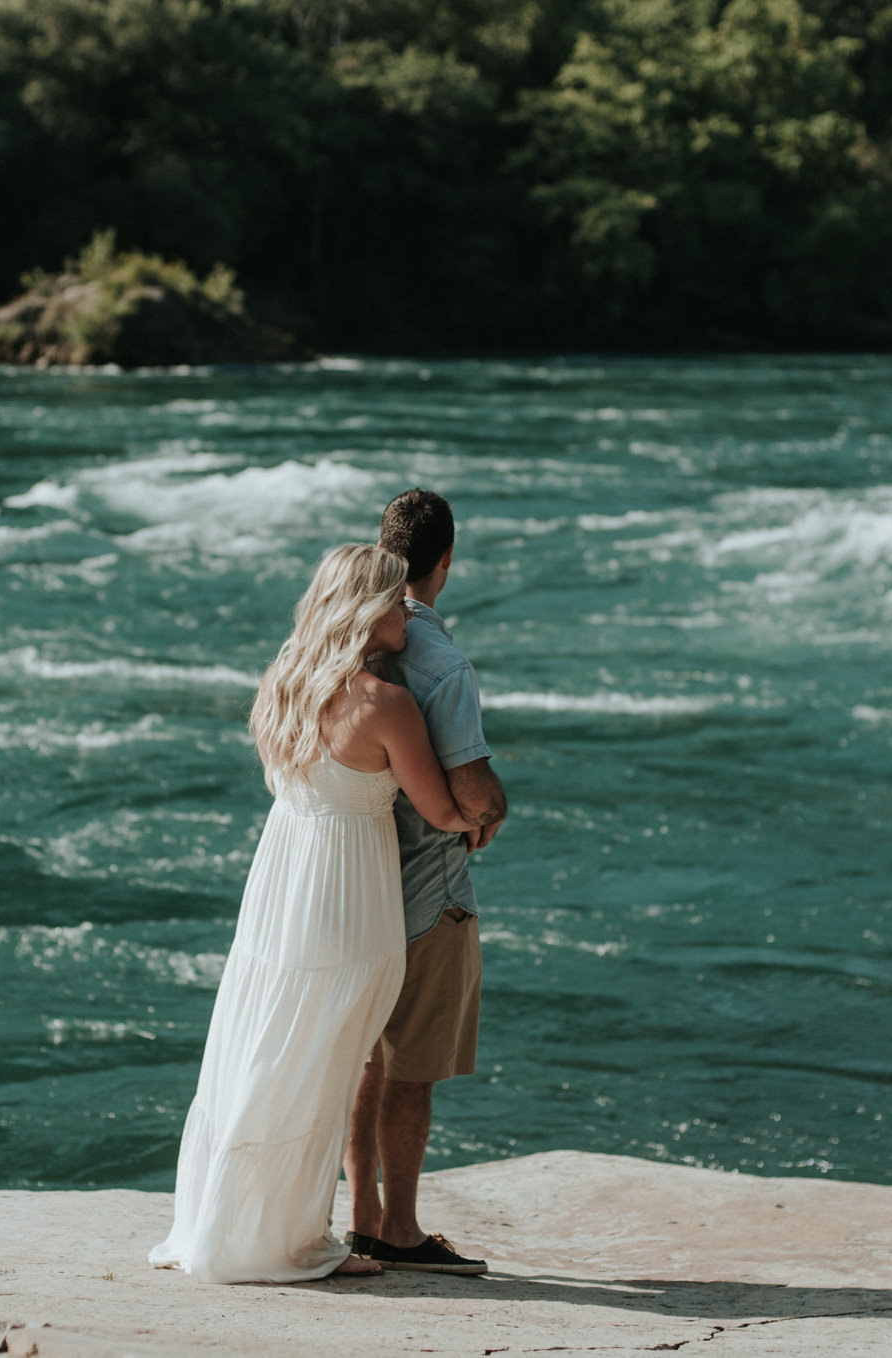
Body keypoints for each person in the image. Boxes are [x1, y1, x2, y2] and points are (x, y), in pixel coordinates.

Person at [149, 543, 479, 1284]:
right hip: (348, 893)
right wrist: (480, 815)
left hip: (283, 880)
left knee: (266, 1044)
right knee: (323, 1063)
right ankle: (285, 1241)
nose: (408, 613)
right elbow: (441, 809)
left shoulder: (286, 679)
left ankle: (233, 1221)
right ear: (365, 611)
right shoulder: (385, 704)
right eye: (396, 602)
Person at [346, 489, 508, 1275]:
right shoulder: (440, 662)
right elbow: (472, 797)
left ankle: (362, 1218)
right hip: (428, 892)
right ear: (447, 561)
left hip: (352, 886)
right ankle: (401, 1231)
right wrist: (494, 808)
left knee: (366, 1058)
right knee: (411, 1065)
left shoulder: (336, 645)